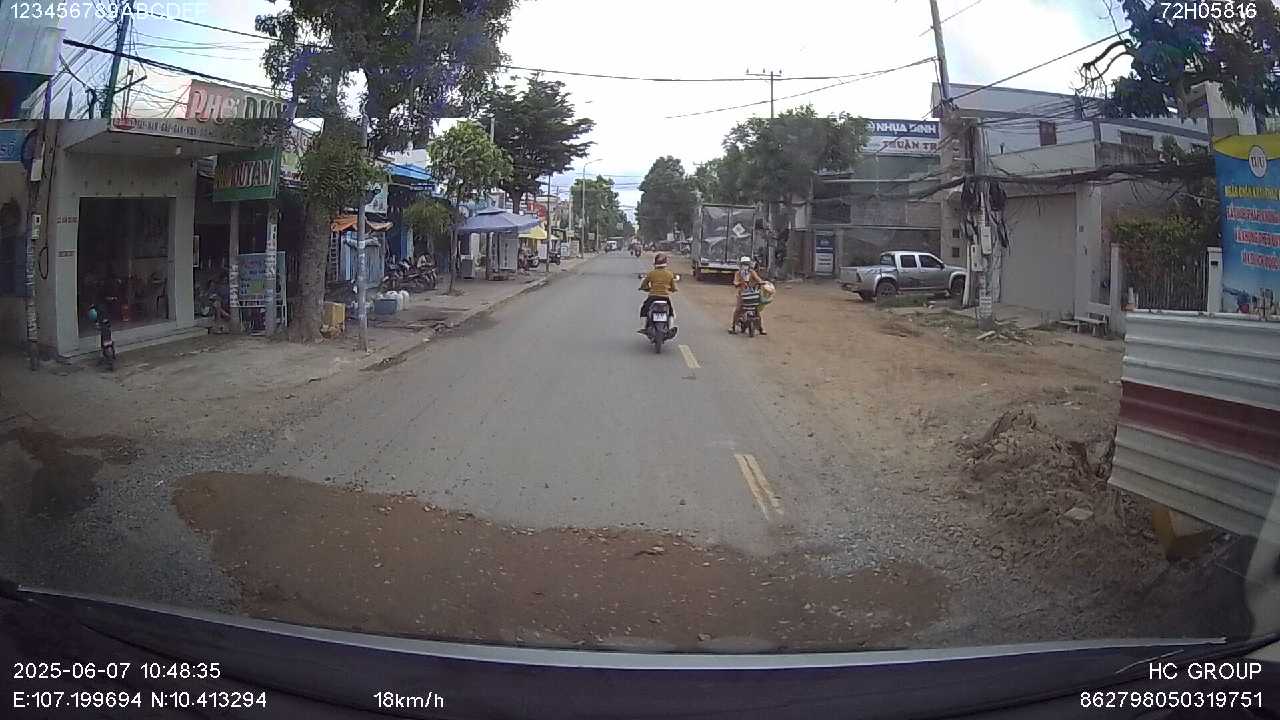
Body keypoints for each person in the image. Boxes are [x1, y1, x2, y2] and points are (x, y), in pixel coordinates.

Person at [638, 252, 678, 331]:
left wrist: (646, 288)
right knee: (671, 312)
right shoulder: (669, 274)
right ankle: (670, 328)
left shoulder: (651, 273)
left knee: (644, 310)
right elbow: (673, 287)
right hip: (665, 298)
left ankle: (643, 327)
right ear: (665, 263)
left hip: (652, 297)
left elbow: (644, 285)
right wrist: (672, 289)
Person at [730, 255, 765, 335]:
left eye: (746, 264)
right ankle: (732, 326)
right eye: (743, 264)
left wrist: (762, 282)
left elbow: (758, 279)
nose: (745, 265)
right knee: (738, 309)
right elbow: (735, 282)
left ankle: (760, 328)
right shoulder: (738, 273)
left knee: (756, 311)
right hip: (742, 294)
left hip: (752, 294)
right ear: (741, 265)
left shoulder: (752, 272)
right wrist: (738, 283)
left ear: (749, 264)